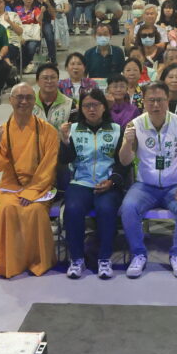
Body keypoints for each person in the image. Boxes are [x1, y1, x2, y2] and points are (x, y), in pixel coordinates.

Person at [117, 81, 177, 278]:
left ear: (167, 100)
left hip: (174, 186)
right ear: (143, 102)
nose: (156, 105)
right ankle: (138, 254)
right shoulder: (135, 125)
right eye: (151, 100)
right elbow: (125, 160)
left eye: (160, 100)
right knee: (128, 208)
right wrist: (127, 143)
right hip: (145, 185)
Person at [0, 83, 60, 278]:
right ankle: (10, 261)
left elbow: (49, 167)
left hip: (39, 186)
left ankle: (36, 261)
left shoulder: (48, 131)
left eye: (29, 98)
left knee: (35, 210)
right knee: (7, 209)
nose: (24, 101)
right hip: (10, 185)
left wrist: (31, 191)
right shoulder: (2, 131)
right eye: (19, 97)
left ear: (35, 102)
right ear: (10, 100)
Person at [59, 88, 125, 280]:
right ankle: (77, 259)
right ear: (81, 108)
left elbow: (123, 163)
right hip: (81, 182)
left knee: (106, 208)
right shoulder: (72, 130)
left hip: (107, 183)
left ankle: (104, 259)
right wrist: (64, 141)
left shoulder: (116, 130)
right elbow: (65, 160)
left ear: (104, 107)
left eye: (96, 105)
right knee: (72, 209)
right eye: (87, 105)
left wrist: (112, 181)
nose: (91, 109)